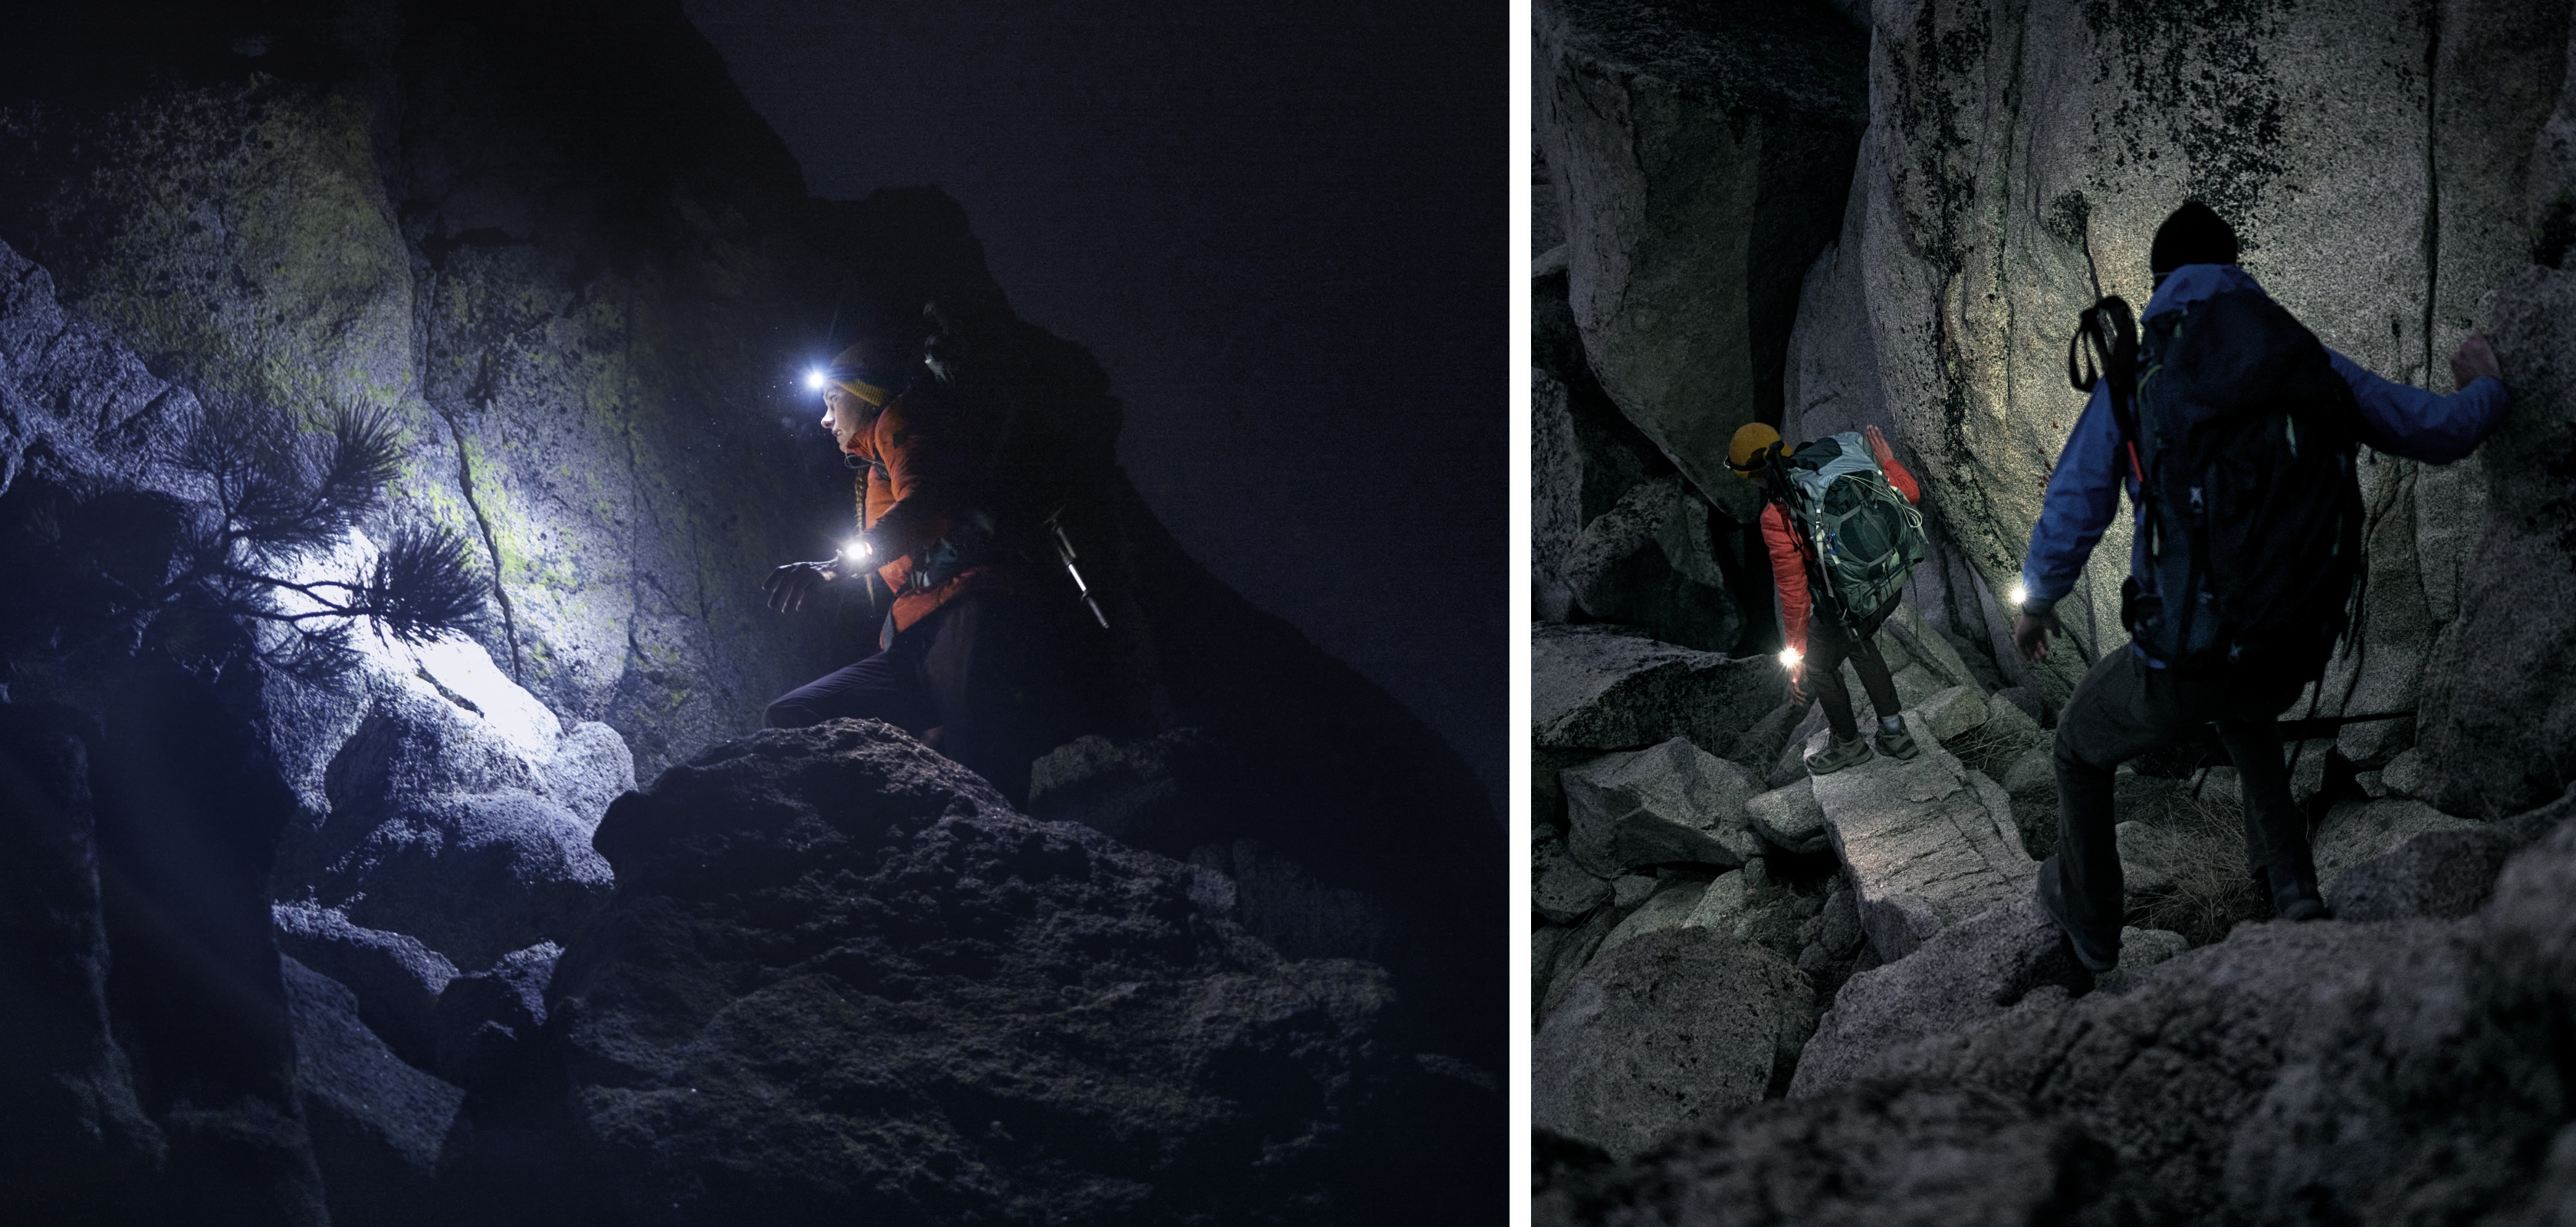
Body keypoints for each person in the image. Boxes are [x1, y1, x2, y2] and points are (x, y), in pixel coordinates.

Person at [2013, 201, 2509, 977]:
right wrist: (2489, 389)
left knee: (2078, 743)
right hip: (2291, 645)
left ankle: (2087, 941)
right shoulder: (2296, 356)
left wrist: (2038, 604)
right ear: (2236, 269)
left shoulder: (2141, 372)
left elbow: (2075, 507)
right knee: (2245, 706)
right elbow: (2436, 432)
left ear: (2159, 283)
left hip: (2188, 659)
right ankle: (2293, 891)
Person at [760, 337, 1083, 807]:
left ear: (866, 394)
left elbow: (925, 507)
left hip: (970, 608)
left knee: (979, 764)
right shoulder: (874, 466)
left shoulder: (903, 421)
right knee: (793, 713)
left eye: (833, 400)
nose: (825, 419)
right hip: (914, 637)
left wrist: (832, 569)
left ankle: (996, 856)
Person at [1729, 420, 1924, 775]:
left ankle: (1849, 744)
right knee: (1859, 643)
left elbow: (1794, 594)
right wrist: (1889, 460)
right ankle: (1896, 734)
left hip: (1849, 601)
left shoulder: (1778, 513)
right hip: (1888, 584)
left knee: (1819, 664)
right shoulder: (1840, 457)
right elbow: (1910, 495)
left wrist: (1797, 655)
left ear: (1747, 476)